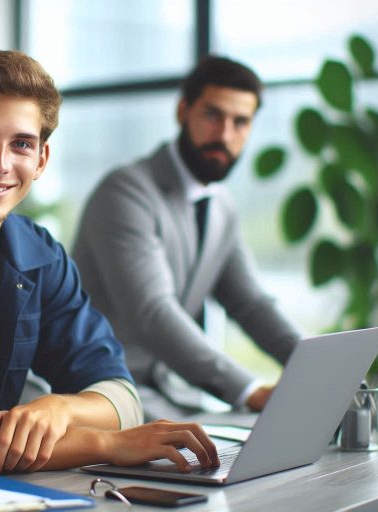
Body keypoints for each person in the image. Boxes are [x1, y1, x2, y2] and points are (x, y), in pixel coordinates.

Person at [0, 48, 218, 476]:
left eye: (21, 144)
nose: (0, 164)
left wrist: (61, 410)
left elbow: (122, 397)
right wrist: (105, 443)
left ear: (41, 161)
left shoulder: (38, 255)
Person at [72, 56, 303, 418]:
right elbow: (152, 312)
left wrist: (312, 363)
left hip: (174, 394)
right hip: (108, 391)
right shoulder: (125, 191)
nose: (224, 135)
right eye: (213, 115)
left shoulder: (221, 205)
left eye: (240, 122)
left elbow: (250, 303)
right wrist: (250, 389)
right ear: (183, 111)